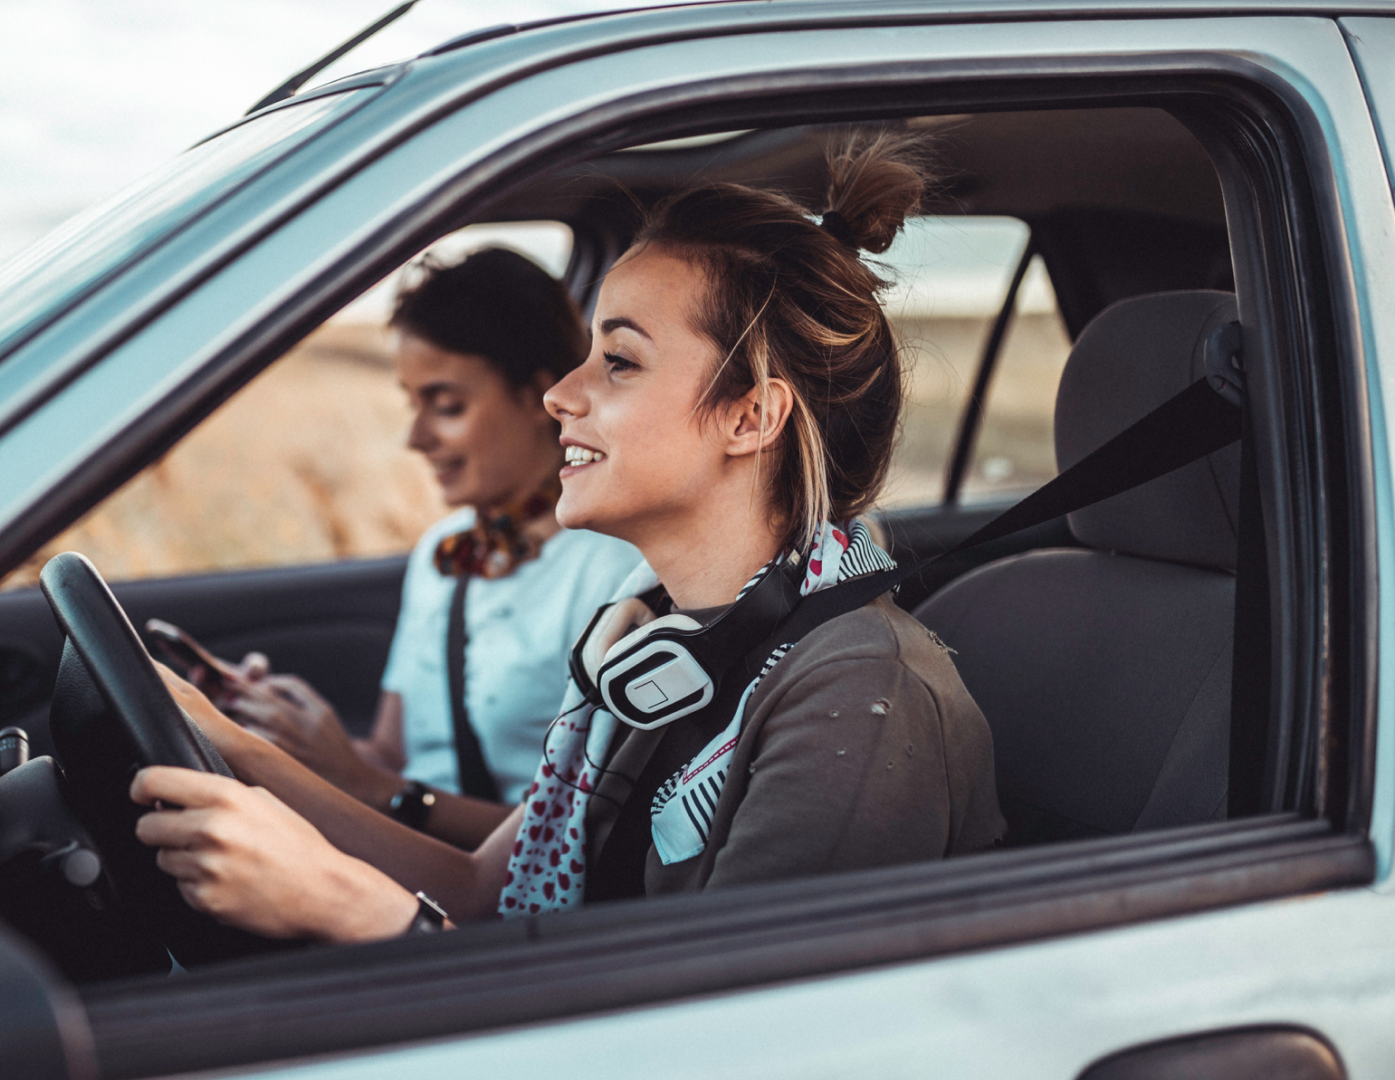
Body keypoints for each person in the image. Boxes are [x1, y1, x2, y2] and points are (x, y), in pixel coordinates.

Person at [131, 131, 1006, 943]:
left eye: (618, 361)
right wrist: (231, 742)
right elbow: (478, 892)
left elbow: (717, 1044)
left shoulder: (857, 691)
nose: (561, 395)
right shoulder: (653, 644)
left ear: (751, 416)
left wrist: (349, 906)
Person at [217, 248, 642, 849]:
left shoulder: (616, 570)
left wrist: (368, 785)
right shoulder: (443, 550)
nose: (416, 439)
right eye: (411, 403)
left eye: (446, 406)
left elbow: (581, 836)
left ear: (540, 395)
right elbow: (391, 754)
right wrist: (291, 733)